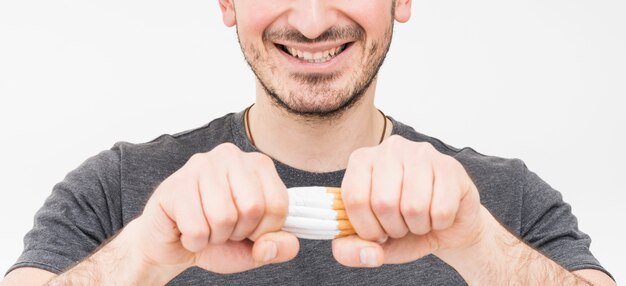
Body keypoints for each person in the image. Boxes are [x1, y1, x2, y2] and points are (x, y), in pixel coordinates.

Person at [1, 1, 615, 285]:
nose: (314, 21)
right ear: (227, 3)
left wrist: (479, 246)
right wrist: (144, 257)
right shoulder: (115, 189)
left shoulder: (503, 200)